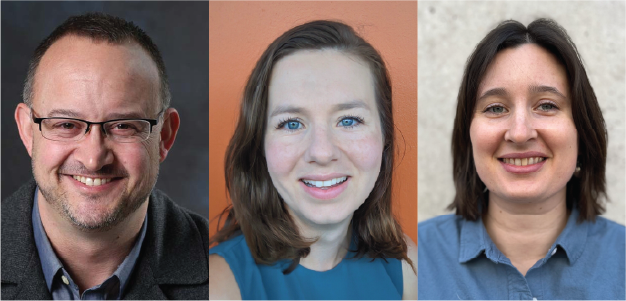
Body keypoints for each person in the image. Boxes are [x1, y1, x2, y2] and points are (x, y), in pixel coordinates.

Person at [0, 13, 209, 300]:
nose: (93, 159)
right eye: (66, 125)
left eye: (123, 126)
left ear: (164, 136)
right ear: (27, 131)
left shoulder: (229, 272)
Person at [418, 18, 626, 300]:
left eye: (547, 105)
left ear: (582, 131)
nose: (519, 133)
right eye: (495, 108)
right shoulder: (412, 260)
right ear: (468, 136)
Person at [208, 20, 417, 301]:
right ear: (260, 146)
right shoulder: (217, 285)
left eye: (349, 120)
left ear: (384, 137)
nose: (321, 152)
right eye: (292, 123)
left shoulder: (407, 266)